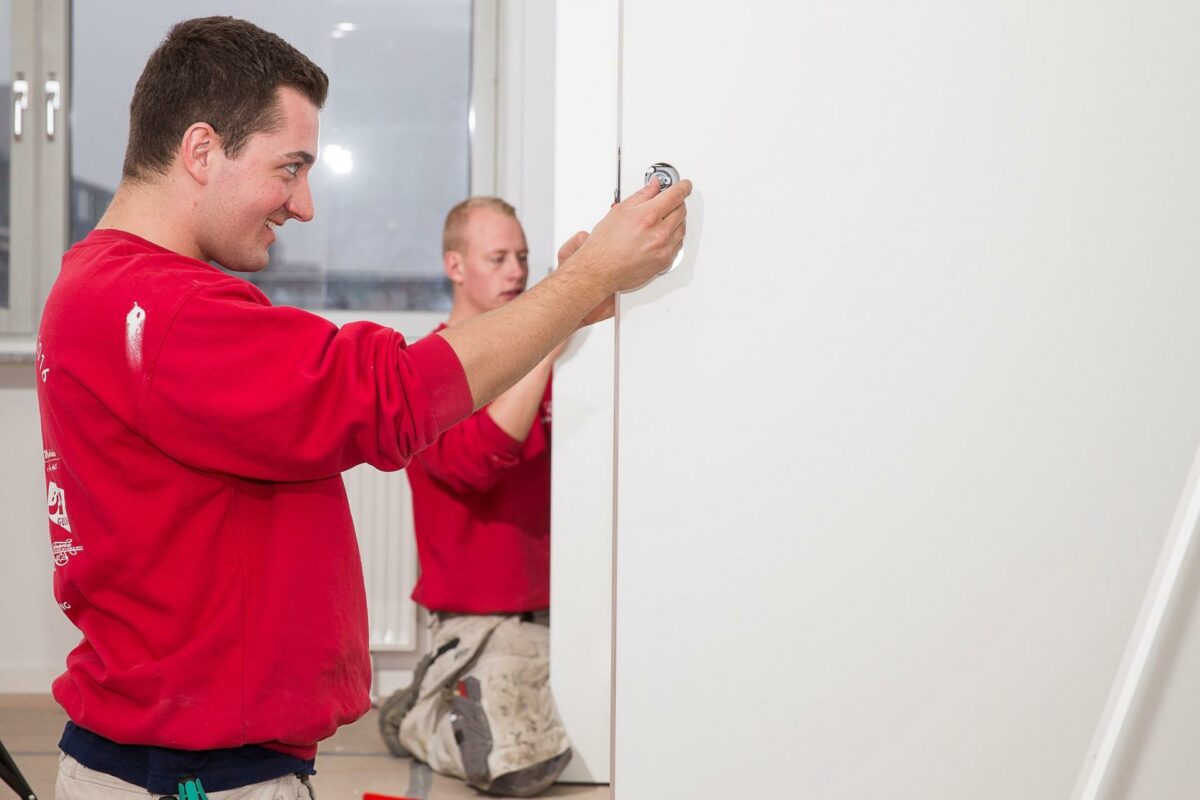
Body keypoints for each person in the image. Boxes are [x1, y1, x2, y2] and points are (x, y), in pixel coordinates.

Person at [36, 16, 689, 800]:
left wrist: (559, 307)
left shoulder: (108, 289)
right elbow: (392, 398)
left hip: (182, 763)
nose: (303, 204)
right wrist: (581, 285)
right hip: (196, 777)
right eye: (290, 168)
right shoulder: (161, 308)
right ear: (202, 151)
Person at [378, 198, 569, 796]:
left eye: (523, 258)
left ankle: (434, 697)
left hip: (558, 612)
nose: (516, 271)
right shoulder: (423, 369)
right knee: (514, 768)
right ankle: (419, 714)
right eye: (497, 258)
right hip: (481, 619)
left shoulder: (553, 363)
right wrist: (551, 334)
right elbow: (476, 463)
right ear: (455, 266)